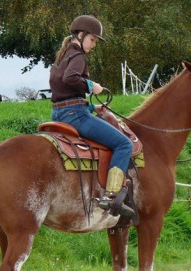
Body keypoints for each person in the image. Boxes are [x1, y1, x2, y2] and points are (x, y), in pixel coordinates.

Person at [49, 15, 134, 217]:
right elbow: (71, 79)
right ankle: (111, 196)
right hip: (74, 116)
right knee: (124, 144)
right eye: (93, 39)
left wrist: (91, 107)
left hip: (59, 112)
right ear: (81, 35)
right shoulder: (78, 55)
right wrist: (91, 86)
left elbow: (64, 93)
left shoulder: (63, 56)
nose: (94, 44)